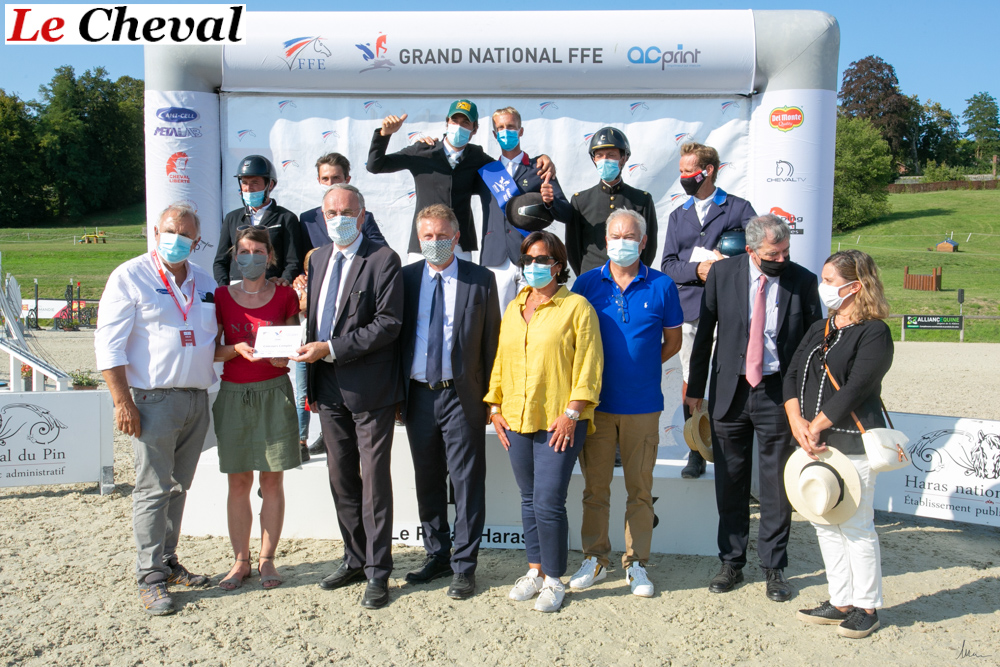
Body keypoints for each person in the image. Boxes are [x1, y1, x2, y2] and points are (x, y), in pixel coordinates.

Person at [685, 214, 822, 602]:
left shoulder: (803, 280)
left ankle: (774, 567)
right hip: (730, 391)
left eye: (785, 252)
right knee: (730, 481)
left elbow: (813, 348)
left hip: (779, 393)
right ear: (750, 250)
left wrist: (807, 401)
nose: (781, 259)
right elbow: (705, 334)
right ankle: (731, 562)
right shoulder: (721, 274)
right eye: (772, 254)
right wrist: (695, 389)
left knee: (776, 484)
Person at [95, 204, 217, 615]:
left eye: (185, 235)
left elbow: (214, 338)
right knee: (151, 489)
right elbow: (108, 345)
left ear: (196, 241)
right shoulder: (130, 276)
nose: (176, 239)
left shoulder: (204, 281)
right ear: (155, 231)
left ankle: (167, 560)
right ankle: (149, 576)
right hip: (151, 400)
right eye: (170, 230)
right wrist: (122, 401)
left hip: (196, 399)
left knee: (178, 487)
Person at [290, 183, 404, 609]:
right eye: (330, 212)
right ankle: (354, 558)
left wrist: (332, 348)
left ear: (362, 215)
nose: (338, 219)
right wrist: (307, 355)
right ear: (322, 217)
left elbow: (388, 323)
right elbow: (316, 320)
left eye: (347, 212)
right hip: (327, 386)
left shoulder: (383, 259)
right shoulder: (318, 258)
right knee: (341, 478)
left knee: (373, 482)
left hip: (370, 388)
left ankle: (378, 570)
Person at [485, 230, 603, 613]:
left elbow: (589, 366)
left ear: (557, 264)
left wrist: (572, 414)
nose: (533, 266)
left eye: (542, 259)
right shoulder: (514, 307)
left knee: (549, 501)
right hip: (516, 418)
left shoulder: (577, 307)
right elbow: (501, 360)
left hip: (559, 420)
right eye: (528, 259)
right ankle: (535, 570)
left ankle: (554, 579)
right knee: (529, 498)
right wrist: (494, 407)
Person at [569, 210, 683, 598]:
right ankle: (595, 558)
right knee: (595, 489)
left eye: (630, 236)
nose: (622, 242)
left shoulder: (662, 285)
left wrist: (643, 366)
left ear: (644, 241)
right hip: (597, 406)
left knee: (640, 489)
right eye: (615, 236)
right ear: (606, 240)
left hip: (643, 406)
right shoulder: (586, 284)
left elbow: (673, 342)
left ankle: (636, 563)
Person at [784, 250, 893, 639]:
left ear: (855, 286)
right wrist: (796, 421)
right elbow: (792, 373)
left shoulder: (875, 332)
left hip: (852, 443)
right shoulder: (821, 326)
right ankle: (841, 600)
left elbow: (858, 386)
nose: (823, 286)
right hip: (813, 443)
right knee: (824, 522)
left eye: (830, 280)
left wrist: (817, 424)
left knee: (857, 525)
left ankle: (867, 606)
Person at [398, 204, 501, 600]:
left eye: (442, 236)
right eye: (428, 236)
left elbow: (492, 343)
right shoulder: (405, 279)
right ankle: (437, 555)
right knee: (428, 481)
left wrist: (492, 399)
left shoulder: (480, 279)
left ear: (456, 237)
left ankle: (464, 566)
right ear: (418, 238)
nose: (435, 242)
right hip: (418, 395)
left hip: (462, 397)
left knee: (467, 482)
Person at [212, 227, 301, 591]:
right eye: (244, 251)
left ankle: (267, 559)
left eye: (258, 251)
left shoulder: (285, 295)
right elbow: (211, 350)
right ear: (235, 256)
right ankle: (240, 561)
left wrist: (286, 357)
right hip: (233, 393)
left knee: (272, 480)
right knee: (238, 481)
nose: (251, 257)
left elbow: (295, 342)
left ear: (270, 256)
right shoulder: (221, 296)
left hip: (275, 393)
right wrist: (235, 349)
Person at [661, 142, 757, 479]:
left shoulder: (739, 208)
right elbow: (668, 266)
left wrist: (726, 263)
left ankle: (727, 448)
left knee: (728, 378)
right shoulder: (677, 215)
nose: (684, 177)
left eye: (690, 171)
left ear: (709, 170)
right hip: (690, 309)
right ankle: (696, 448)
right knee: (692, 380)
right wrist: (697, 270)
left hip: (730, 308)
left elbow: (759, 252)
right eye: (681, 172)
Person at [367, 100, 494, 261]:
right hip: (423, 242)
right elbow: (375, 165)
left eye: (465, 123)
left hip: (459, 244)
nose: (458, 126)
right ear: (447, 123)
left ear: (474, 129)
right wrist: (384, 134)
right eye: (454, 121)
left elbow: (506, 174)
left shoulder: (477, 156)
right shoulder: (423, 151)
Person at [479, 106, 572, 312]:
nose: (506, 132)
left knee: (535, 315)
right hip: (496, 257)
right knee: (498, 319)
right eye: (501, 128)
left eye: (511, 127)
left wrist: (550, 202)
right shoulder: (487, 171)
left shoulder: (539, 168)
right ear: (494, 134)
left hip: (532, 256)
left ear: (521, 131)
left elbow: (567, 213)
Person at [568, 127, 658, 276]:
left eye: (611, 155)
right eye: (599, 155)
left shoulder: (642, 200)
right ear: (594, 159)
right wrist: (586, 277)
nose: (605, 160)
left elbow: (649, 247)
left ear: (623, 158)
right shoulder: (581, 201)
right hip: (593, 278)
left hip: (630, 277)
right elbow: (573, 249)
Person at [214, 154, 303, 286]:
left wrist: (281, 284)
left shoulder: (286, 218)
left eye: (255, 183)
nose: (249, 188)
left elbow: (293, 262)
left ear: (270, 185)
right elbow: (220, 261)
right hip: (236, 289)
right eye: (244, 183)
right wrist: (225, 289)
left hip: (270, 288)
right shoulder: (231, 218)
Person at [299, 152, 386, 251]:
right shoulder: (308, 219)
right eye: (325, 179)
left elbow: (382, 252)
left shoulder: (363, 217)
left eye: (336, 178)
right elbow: (304, 256)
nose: (330, 184)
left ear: (347, 179)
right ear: (319, 180)